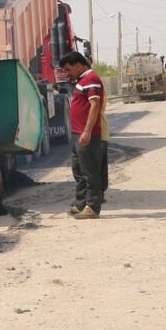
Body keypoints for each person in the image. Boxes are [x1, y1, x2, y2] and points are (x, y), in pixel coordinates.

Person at [59, 51, 110, 219]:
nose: (67, 73)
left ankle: (93, 207)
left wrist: (87, 131)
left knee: (90, 171)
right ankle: (81, 203)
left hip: (86, 134)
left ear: (78, 65)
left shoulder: (91, 80)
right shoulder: (82, 80)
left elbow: (94, 105)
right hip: (77, 134)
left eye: (68, 69)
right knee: (79, 171)